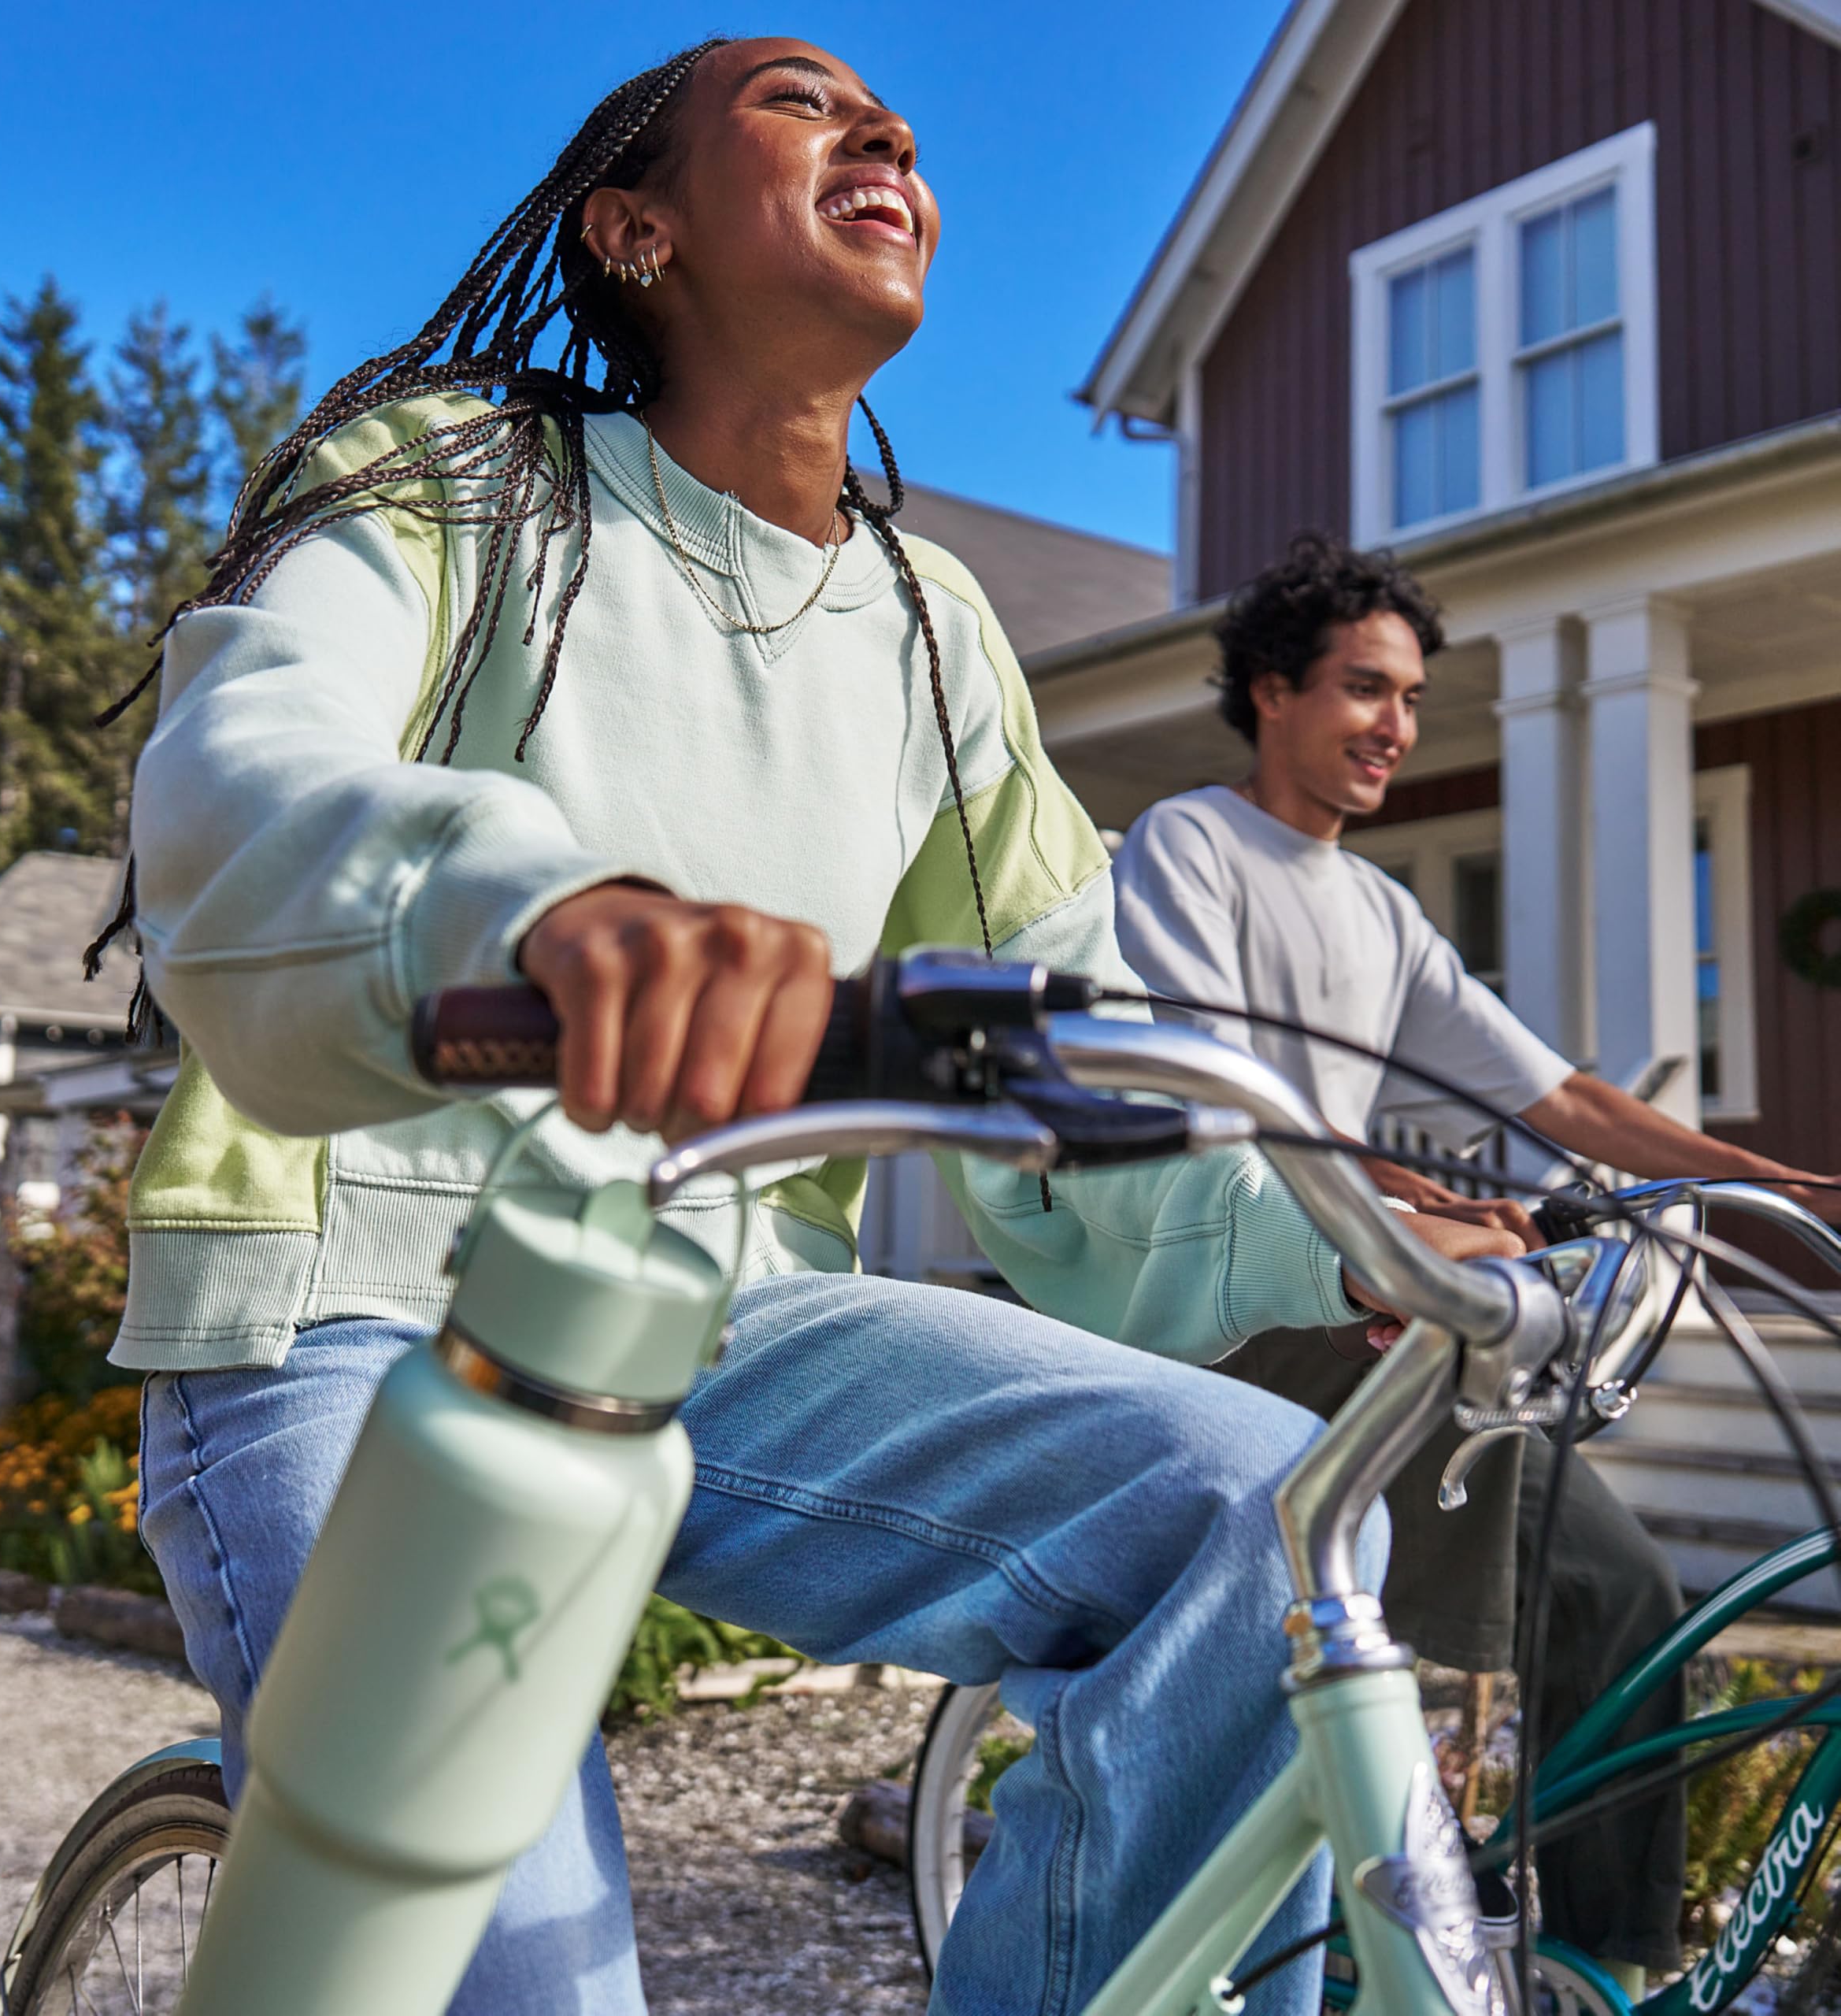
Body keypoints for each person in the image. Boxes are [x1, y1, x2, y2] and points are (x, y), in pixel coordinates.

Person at [99, 46, 1516, 2016]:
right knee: (517, 1955)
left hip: (724, 1306)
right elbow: (244, 778)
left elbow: (1077, 1054)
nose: (890, 138)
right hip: (356, 1288)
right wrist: (546, 911)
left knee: (1259, 1518)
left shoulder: (932, 626)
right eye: (798, 102)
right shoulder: (454, 482)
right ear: (635, 225)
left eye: (900, 126)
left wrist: (1335, 1213)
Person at [1110, 531, 1841, 1989]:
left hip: (1382, 1305)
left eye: (1412, 700)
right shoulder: (1192, 846)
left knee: (1603, 1594)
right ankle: (1562, 1957)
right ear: (1271, 693)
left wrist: (1776, 1186)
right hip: (1246, 1305)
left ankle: (1584, 1964)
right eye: (1364, 691)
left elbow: (1562, 1099)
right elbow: (1219, 1096)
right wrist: (1396, 1193)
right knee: (1569, 1588)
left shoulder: (1380, 910)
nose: (1395, 726)